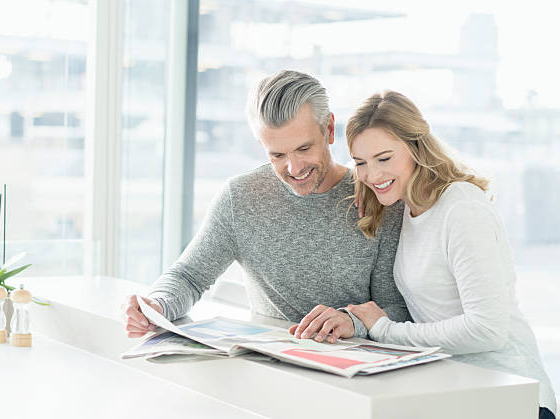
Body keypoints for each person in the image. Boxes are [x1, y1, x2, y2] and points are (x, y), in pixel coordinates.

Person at [294, 90, 556, 418]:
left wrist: (384, 328)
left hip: (511, 396)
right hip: (458, 389)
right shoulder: (406, 206)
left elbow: (487, 329)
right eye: (361, 162)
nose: (372, 175)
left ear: (416, 147)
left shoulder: (460, 208)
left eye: (384, 159)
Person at [122, 70, 411, 343]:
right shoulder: (241, 198)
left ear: (330, 130)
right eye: (277, 155)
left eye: (303, 149)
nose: (293, 168)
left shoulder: (376, 197)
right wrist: (158, 305)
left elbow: (397, 308)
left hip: (353, 373)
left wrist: (353, 322)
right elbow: (189, 276)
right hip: (267, 369)